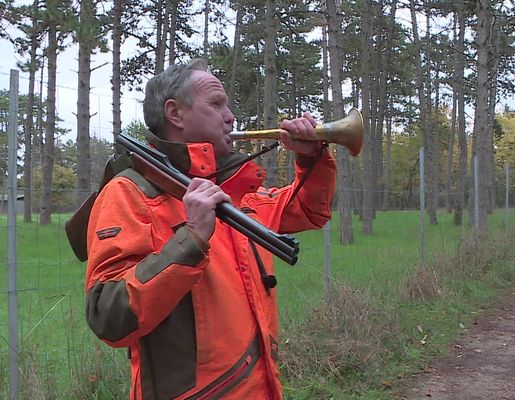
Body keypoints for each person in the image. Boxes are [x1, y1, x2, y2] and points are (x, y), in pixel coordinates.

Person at [84, 58, 336, 400]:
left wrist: (311, 157)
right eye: (216, 103)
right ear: (175, 113)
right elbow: (109, 317)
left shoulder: (235, 191)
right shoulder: (130, 193)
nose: (230, 116)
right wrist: (191, 240)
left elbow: (307, 210)